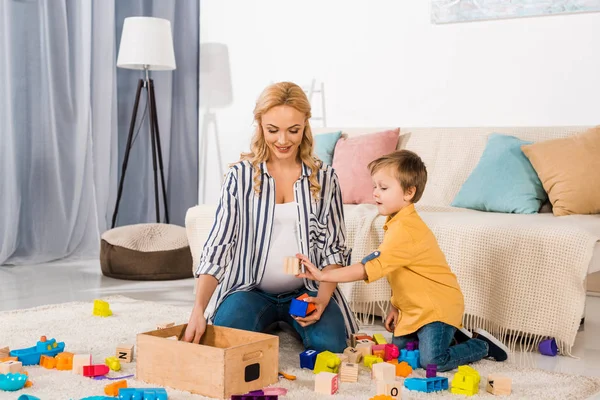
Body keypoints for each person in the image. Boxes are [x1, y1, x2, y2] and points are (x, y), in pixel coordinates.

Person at [183, 82, 358, 352]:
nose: (283, 140)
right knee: (225, 342)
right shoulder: (240, 176)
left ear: (305, 125)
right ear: (260, 126)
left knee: (332, 346)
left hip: (306, 291)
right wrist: (198, 309)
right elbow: (218, 247)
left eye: (294, 130)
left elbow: (333, 251)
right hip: (249, 290)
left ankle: (294, 321)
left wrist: (323, 300)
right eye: (273, 130)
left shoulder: (325, 178)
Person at [297, 150, 509, 371]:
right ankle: (454, 334)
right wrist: (396, 307)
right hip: (414, 308)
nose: (376, 193)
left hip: (437, 308)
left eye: (384, 188)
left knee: (432, 361)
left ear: (409, 192)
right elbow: (402, 275)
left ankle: (481, 344)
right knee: (399, 352)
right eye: (375, 187)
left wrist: (324, 275)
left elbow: (365, 269)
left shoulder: (406, 230)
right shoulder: (395, 223)